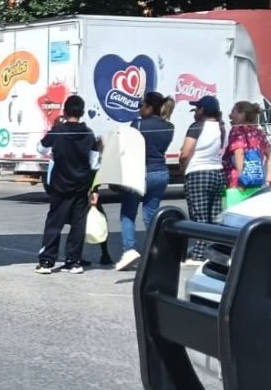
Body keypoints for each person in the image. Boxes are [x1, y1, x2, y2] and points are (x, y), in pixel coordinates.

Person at [35, 96, 99, 275]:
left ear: (65, 111)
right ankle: (73, 261)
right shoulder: (88, 134)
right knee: (78, 224)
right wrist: (94, 189)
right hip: (81, 185)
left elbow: (41, 148)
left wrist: (54, 152)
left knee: (54, 222)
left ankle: (47, 261)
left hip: (60, 183)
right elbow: (95, 163)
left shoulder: (58, 131)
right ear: (82, 112)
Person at [115, 91, 174, 271]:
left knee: (128, 213)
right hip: (160, 172)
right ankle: (154, 252)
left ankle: (129, 250)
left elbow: (127, 148)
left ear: (149, 107)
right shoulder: (169, 127)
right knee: (151, 216)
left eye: (141, 105)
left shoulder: (138, 124)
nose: (139, 108)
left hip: (139, 173)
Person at [180, 95, 226, 264]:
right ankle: (213, 252)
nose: (195, 112)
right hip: (217, 172)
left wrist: (182, 167)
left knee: (199, 215)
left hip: (198, 172)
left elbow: (186, 153)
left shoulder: (197, 126)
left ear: (202, 110)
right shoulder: (221, 127)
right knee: (214, 216)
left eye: (197, 108)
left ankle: (199, 255)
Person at [222, 100, 269, 207]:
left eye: (233, 112)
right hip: (256, 179)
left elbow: (239, 153)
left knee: (236, 212)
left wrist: (241, 177)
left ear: (242, 114)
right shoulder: (258, 132)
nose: (230, 115)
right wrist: (269, 176)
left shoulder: (237, 130)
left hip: (238, 181)